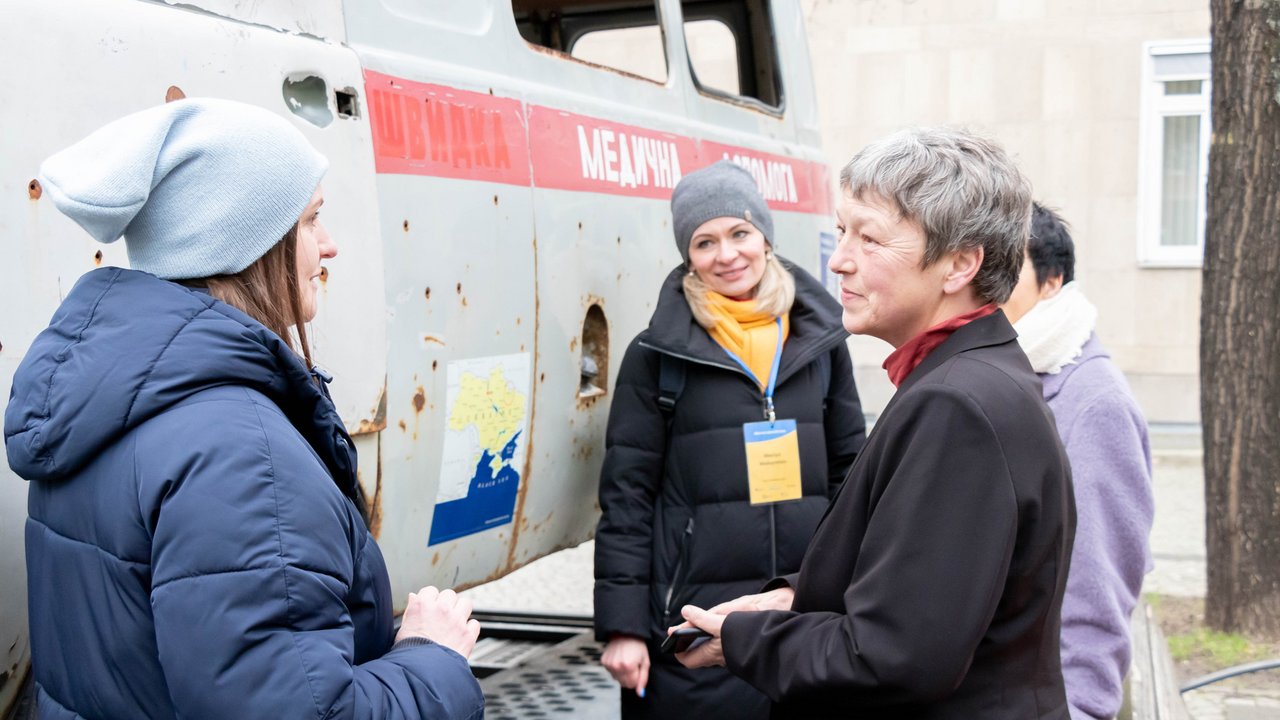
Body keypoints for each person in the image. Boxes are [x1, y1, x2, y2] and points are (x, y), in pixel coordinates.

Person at [4, 99, 485, 720]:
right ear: (249, 244)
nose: (330, 246)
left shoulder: (100, 406)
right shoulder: (243, 459)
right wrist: (431, 656)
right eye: (312, 221)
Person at [673, 128, 1076, 718]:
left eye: (870, 238)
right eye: (841, 231)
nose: (838, 259)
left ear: (960, 264)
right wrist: (792, 602)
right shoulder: (965, 378)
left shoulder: (956, 404)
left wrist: (742, 642)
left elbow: (893, 658)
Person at [593, 160, 866, 719]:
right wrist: (623, 628)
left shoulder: (820, 342)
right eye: (704, 242)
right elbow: (627, 496)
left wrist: (850, 593)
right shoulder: (657, 355)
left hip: (802, 616)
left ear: (764, 237)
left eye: (740, 233)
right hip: (695, 623)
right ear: (687, 256)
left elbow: (852, 473)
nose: (727, 255)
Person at [1002, 204, 1154, 720]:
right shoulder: (1012, 373)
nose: (989, 282)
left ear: (1052, 281)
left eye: (1009, 265)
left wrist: (1085, 709)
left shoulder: (1093, 403)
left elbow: (1098, 587)